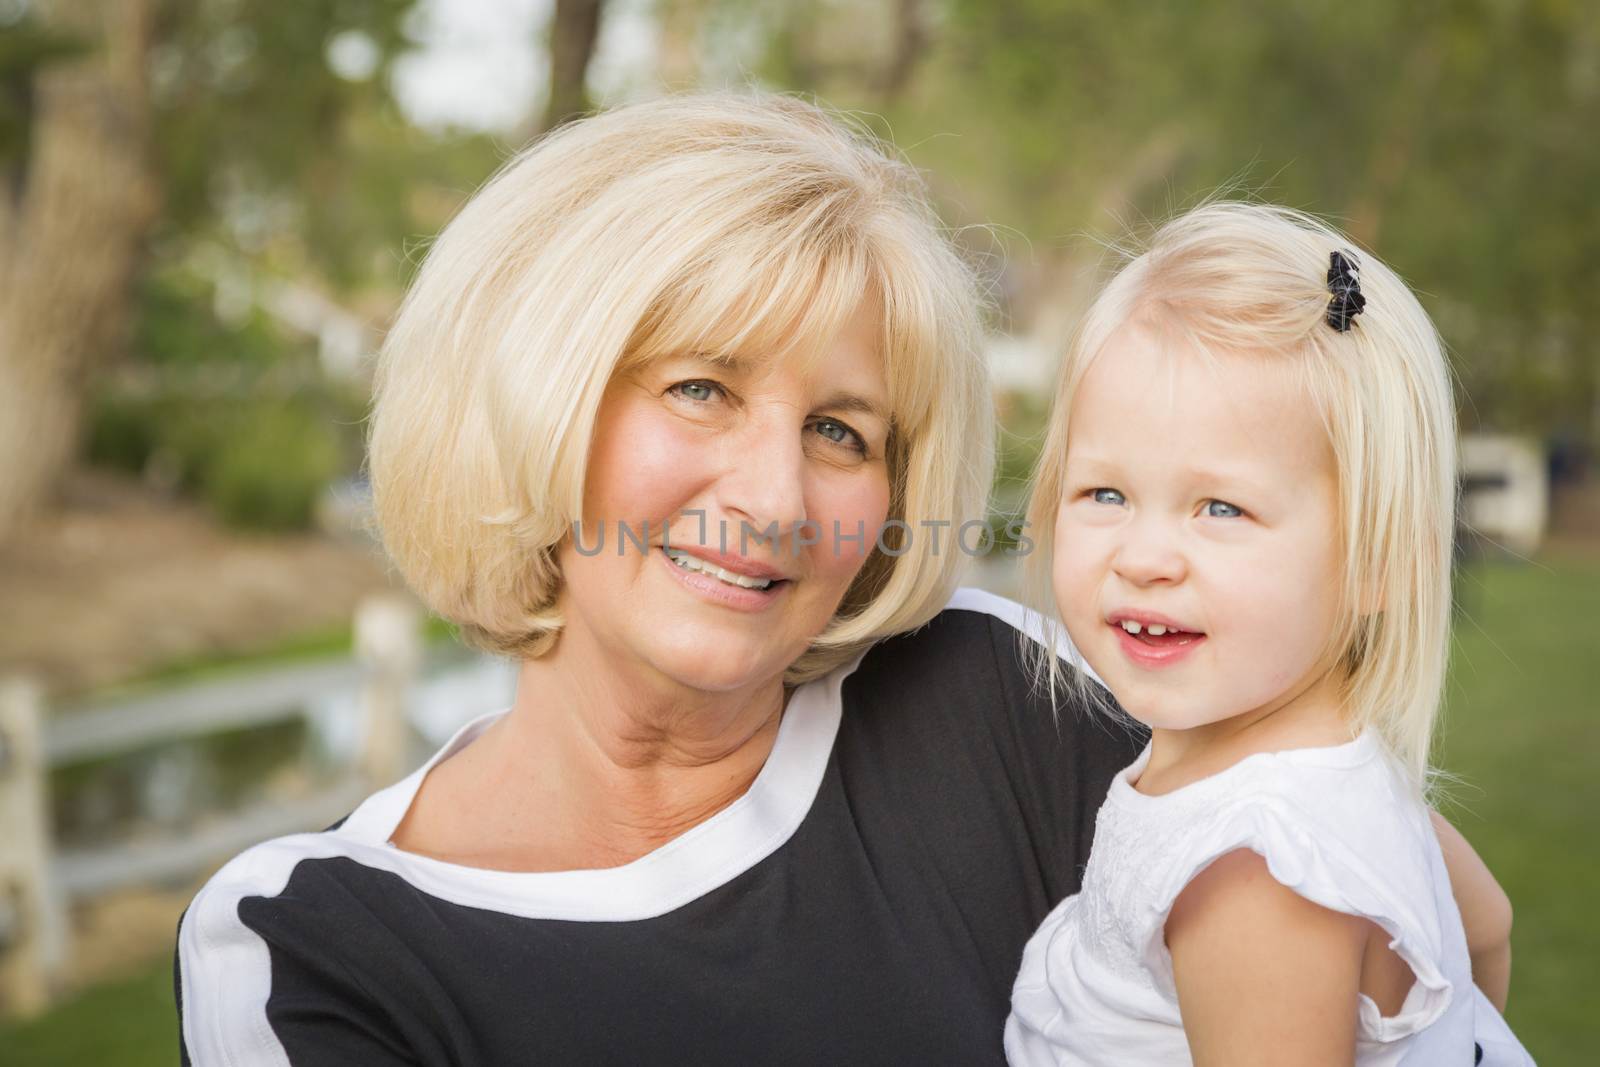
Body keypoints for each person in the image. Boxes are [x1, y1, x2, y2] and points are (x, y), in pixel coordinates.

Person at [174, 96, 1507, 1065]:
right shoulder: (311, 945)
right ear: (534, 400)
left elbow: (1453, 931)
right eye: (700, 387)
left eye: (841, 431)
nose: (773, 500)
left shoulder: (1006, 698)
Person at [1003, 203, 1532, 1065]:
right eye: (1105, 492)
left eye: (1221, 507)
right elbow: (1487, 927)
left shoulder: (1258, 881)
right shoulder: (1339, 785)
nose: (1143, 556)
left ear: (1380, 563)